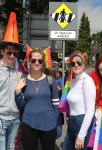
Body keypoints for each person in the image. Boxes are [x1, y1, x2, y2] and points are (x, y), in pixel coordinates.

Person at [15, 49, 61, 150]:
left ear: (43, 63)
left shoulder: (50, 80)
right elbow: (20, 106)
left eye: (39, 61)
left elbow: (56, 105)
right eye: (33, 60)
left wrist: (55, 122)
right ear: (29, 62)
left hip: (49, 125)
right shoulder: (23, 81)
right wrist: (18, 91)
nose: (36, 63)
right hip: (29, 124)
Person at [0, 11, 26, 150]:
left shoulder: (20, 69)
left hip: (15, 118)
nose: (11, 56)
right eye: (8, 52)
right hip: (1, 118)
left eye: (15, 53)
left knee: (11, 147)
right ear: (2, 52)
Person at [61, 52, 96, 150]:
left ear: (84, 65)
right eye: (73, 63)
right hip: (72, 121)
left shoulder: (87, 81)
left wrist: (81, 136)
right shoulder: (73, 81)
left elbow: (90, 110)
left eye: (79, 63)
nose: (76, 65)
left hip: (82, 122)